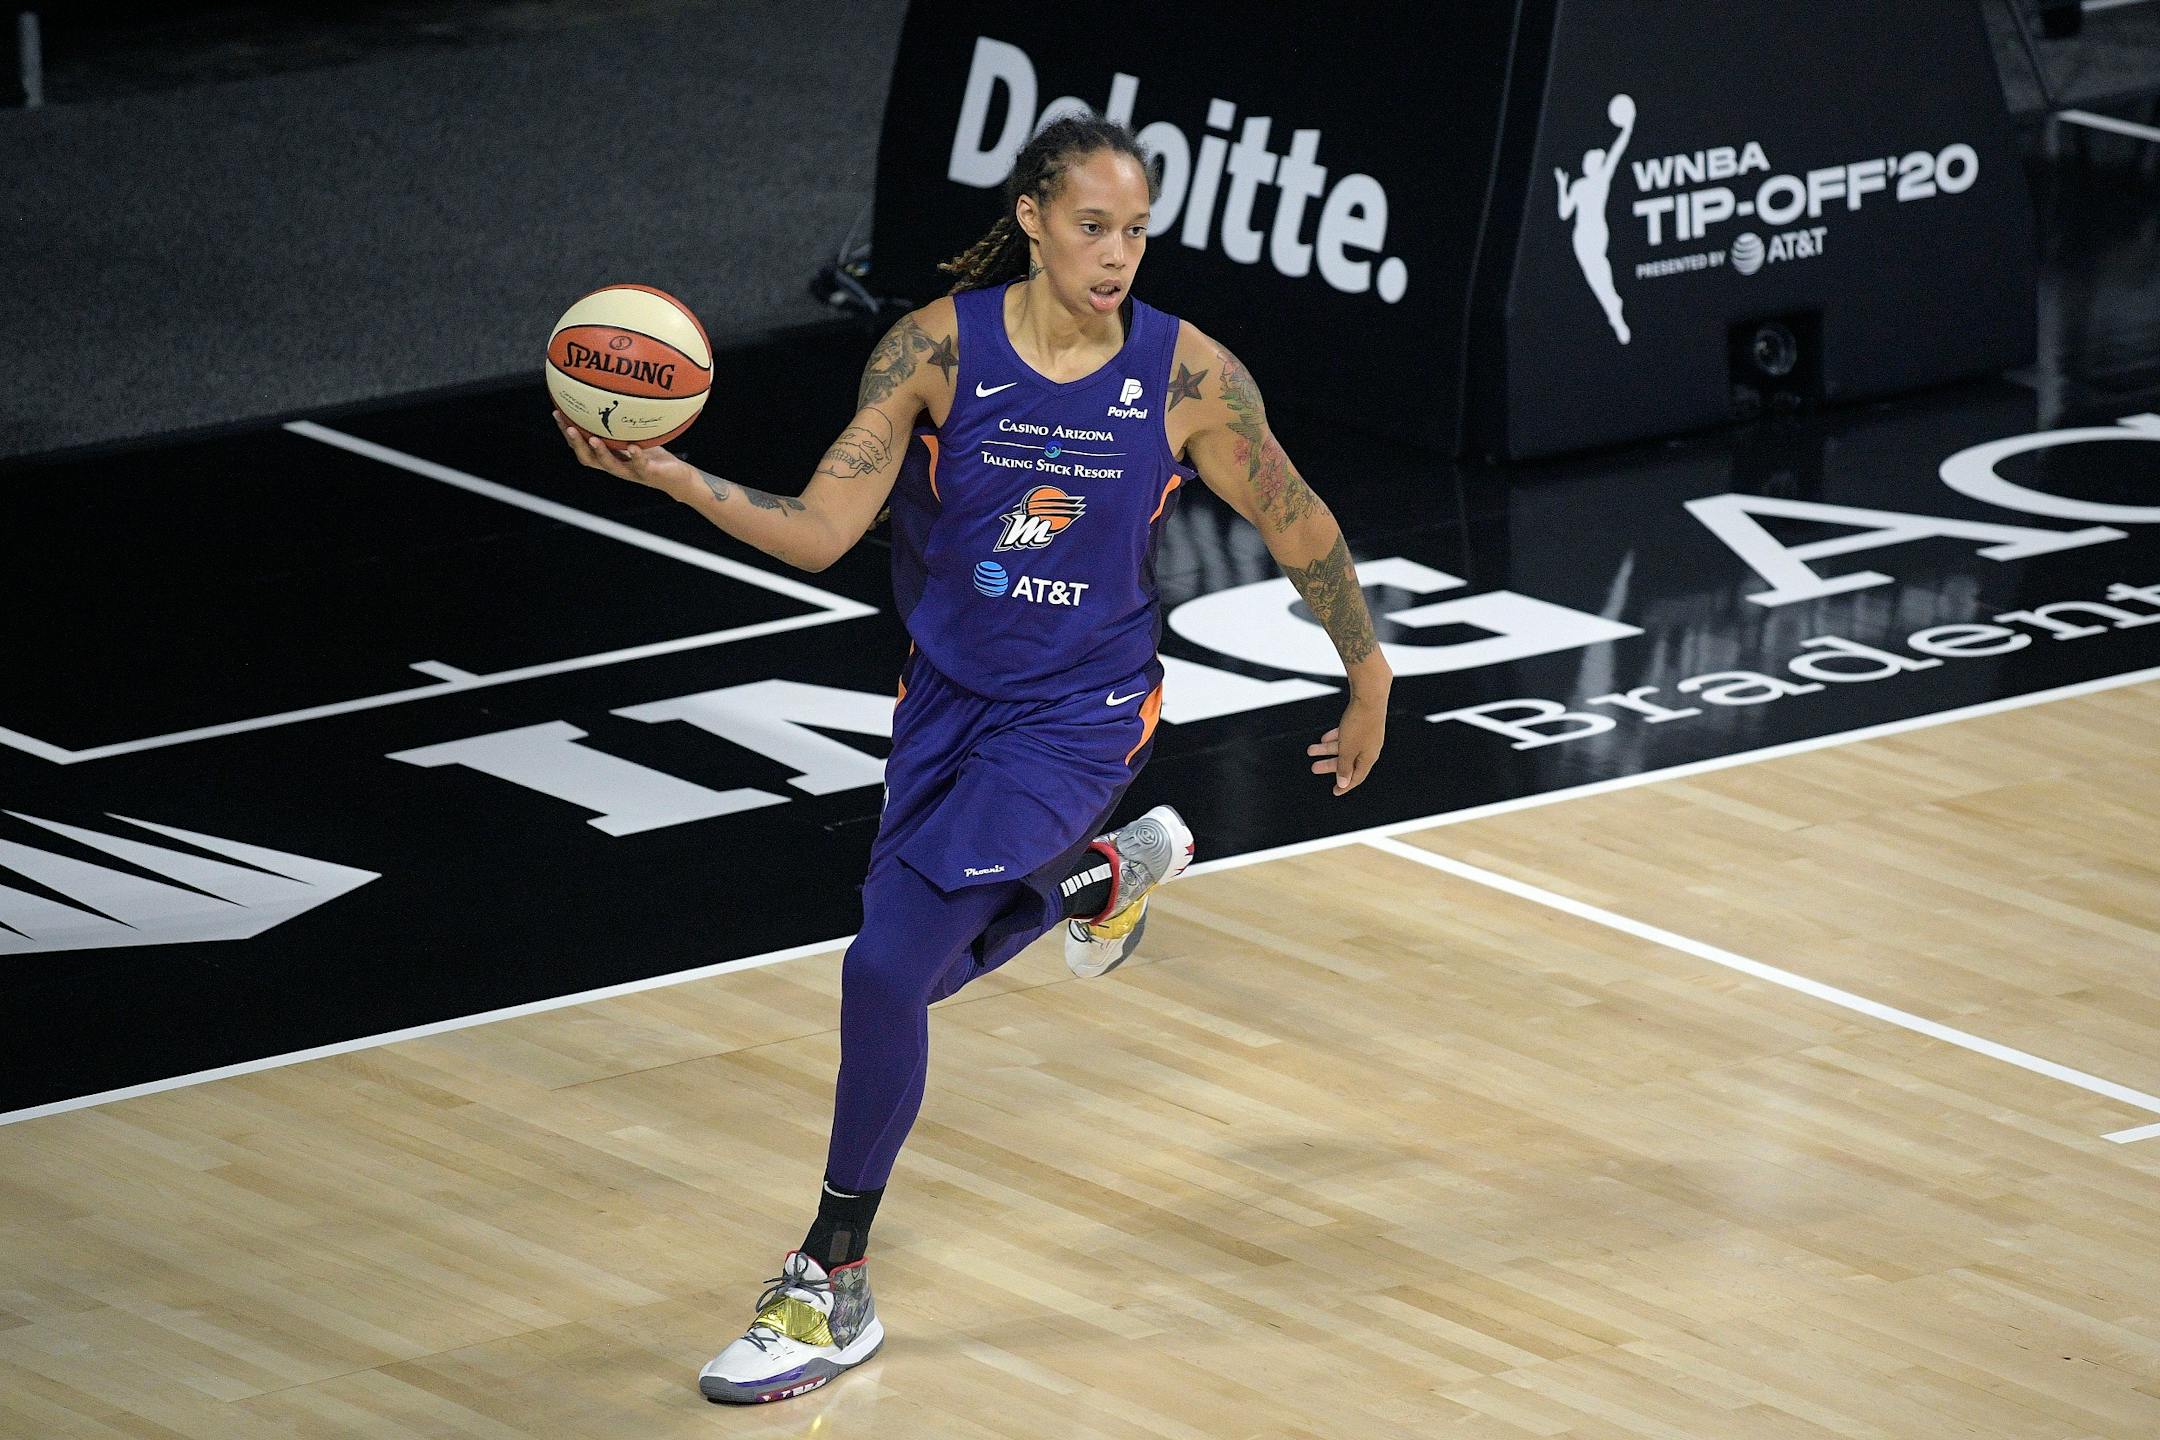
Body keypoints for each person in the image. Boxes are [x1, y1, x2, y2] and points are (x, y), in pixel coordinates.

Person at [552, 112, 1390, 1406]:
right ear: (1038, 218)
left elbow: (1293, 513)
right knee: (916, 982)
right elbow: (825, 528)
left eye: (1138, 233)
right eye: (1096, 227)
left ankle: (829, 1277)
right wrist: (676, 479)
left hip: (1083, 710)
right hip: (945, 707)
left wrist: (1368, 665)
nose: (1119, 256)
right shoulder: (936, 351)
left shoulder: (1185, 379)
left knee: (881, 969)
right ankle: (1107, 876)